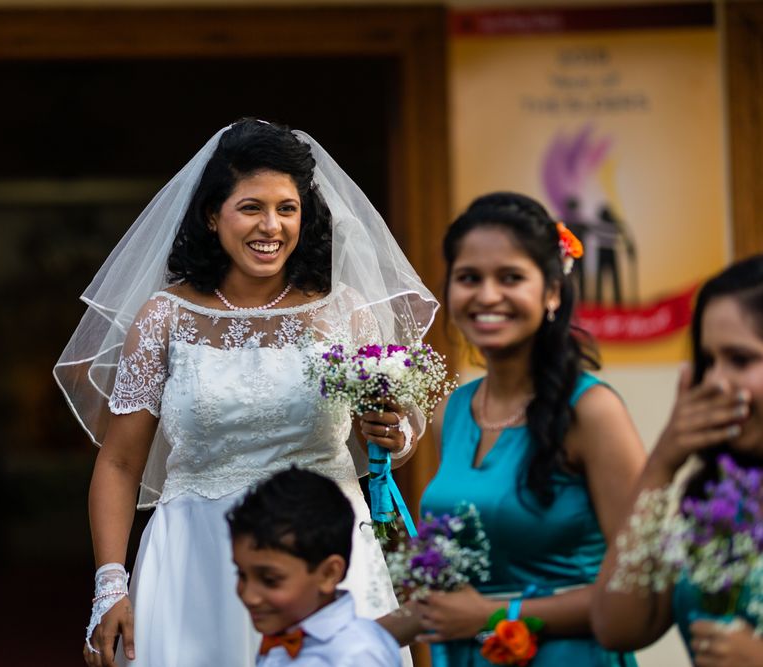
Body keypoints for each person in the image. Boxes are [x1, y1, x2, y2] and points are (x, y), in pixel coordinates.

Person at [55, 118, 438, 667]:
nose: (272, 226)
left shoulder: (344, 312)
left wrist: (392, 431)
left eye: (287, 208)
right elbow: (117, 464)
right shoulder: (163, 318)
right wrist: (110, 585)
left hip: (323, 555)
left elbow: (388, 443)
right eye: (251, 207)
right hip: (195, 559)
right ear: (213, 216)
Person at [385, 192, 646, 665]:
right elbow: (453, 595)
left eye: (510, 278)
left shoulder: (591, 411)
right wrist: (344, 636)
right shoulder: (454, 411)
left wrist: (493, 615)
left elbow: (638, 587)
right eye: (469, 278)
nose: (486, 295)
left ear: (551, 292)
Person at [591, 255, 763, 667]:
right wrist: (662, 465)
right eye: (708, 362)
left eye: (740, 360)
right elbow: (619, 625)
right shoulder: (721, 500)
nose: (716, 383)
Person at [227, 467, 401, 666]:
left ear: (328, 574)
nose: (249, 596)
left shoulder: (356, 656)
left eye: (270, 580)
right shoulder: (286, 631)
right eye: (241, 575)